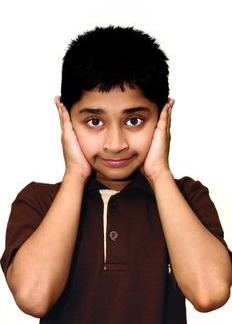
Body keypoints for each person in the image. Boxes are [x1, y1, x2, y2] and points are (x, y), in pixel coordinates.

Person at [1, 26, 231, 324]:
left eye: (134, 120)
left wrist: (160, 173)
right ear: (66, 118)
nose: (115, 143)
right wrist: (74, 174)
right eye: (94, 121)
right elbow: (34, 297)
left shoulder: (187, 197)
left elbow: (209, 292)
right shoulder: (38, 201)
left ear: (163, 116)